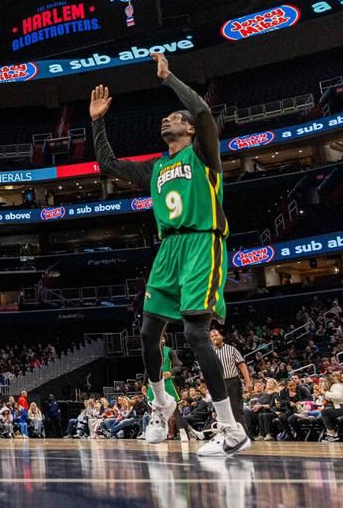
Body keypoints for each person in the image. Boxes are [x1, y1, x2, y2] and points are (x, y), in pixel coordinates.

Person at [89, 52, 249, 457]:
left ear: (191, 130)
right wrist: (97, 121)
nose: (167, 120)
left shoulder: (204, 157)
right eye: (167, 118)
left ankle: (231, 430)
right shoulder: (157, 168)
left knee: (196, 334)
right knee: (146, 334)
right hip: (168, 249)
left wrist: (169, 77)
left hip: (201, 242)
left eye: (175, 118)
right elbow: (107, 163)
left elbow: (203, 111)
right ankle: (162, 406)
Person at [209, 328, 251, 424]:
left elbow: (242, 365)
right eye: (212, 336)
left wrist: (248, 381)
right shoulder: (210, 352)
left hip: (233, 382)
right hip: (218, 383)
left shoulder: (231, 349)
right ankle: (228, 433)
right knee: (221, 410)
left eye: (216, 335)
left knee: (236, 409)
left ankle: (243, 434)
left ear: (221, 336)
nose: (214, 337)